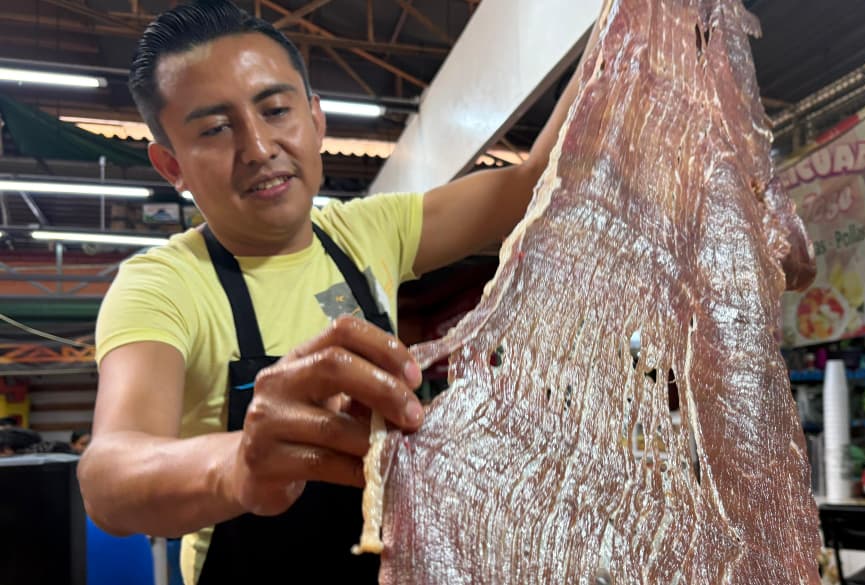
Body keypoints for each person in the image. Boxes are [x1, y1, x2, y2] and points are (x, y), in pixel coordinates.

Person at [76, 1, 581, 583]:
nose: (259, 147)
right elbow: (108, 476)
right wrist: (240, 464)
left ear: (316, 121)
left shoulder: (367, 232)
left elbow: (530, 181)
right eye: (215, 129)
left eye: (275, 110)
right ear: (172, 166)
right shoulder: (163, 285)